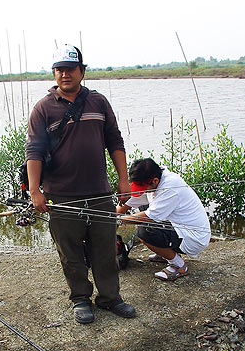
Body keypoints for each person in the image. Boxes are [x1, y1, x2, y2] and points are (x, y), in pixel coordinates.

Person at [26, 44, 136, 324]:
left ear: (82, 72)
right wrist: (34, 190)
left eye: (70, 69)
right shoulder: (43, 108)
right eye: (59, 69)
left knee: (105, 250)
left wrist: (124, 179)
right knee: (71, 253)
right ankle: (80, 299)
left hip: (100, 193)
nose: (65, 74)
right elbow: (34, 152)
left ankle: (110, 298)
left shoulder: (98, 102)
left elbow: (115, 141)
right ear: (54, 73)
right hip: (61, 197)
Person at [117, 158, 211, 280]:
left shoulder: (170, 187)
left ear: (155, 181)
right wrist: (111, 215)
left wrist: (119, 220)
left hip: (193, 237)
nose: (142, 191)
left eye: (143, 188)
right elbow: (127, 202)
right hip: (178, 226)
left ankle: (179, 266)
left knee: (145, 230)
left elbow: (149, 217)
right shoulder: (153, 178)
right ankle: (165, 253)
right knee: (143, 206)